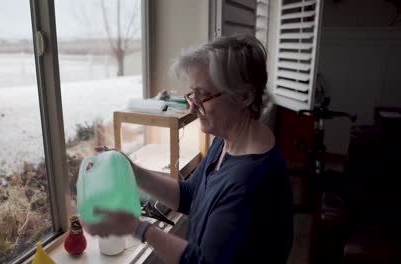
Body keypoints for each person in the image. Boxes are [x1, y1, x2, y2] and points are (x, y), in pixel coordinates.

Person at [84, 34, 294, 264]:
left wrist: (138, 228)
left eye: (202, 95)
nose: (192, 106)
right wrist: (132, 171)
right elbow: (190, 195)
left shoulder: (252, 182)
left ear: (244, 96)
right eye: (192, 94)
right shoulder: (228, 140)